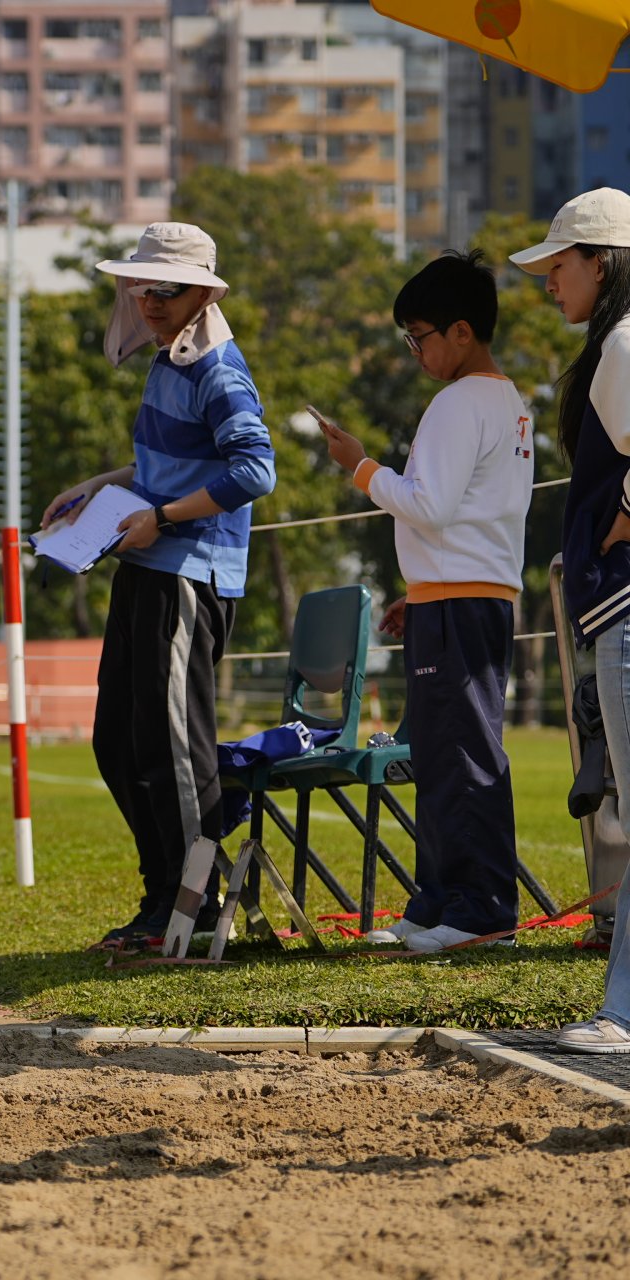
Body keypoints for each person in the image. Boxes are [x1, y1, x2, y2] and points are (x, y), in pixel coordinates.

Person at [40, 224, 277, 948]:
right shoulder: (166, 362)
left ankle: (194, 911)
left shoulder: (218, 371)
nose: (147, 301)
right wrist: (97, 488)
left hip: (187, 575)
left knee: (175, 749)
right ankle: (161, 900)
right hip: (144, 566)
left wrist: (162, 518)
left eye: (164, 289)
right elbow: (160, 470)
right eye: (139, 286)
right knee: (118, 741)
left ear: (203, 293)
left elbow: (254, 473)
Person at [316, 250, 533, 953]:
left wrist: (360, 466)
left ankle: (481, 909)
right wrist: (424, 593)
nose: (416, 352)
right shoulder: (508, 401)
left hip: (459, 602)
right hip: (467, 595)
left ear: (461, 332)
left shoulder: (458, 402)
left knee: (462, 755)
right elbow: (468, 514)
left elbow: (430, 506)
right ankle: (440, 898)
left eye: (420, 337)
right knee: (441, 754)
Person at [499, 189, 630, 1052]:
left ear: (604, 262)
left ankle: (623, 1014)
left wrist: (626, 510)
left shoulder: (623, 343)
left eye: (560, 263)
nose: (549, 280)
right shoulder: (614, 344)